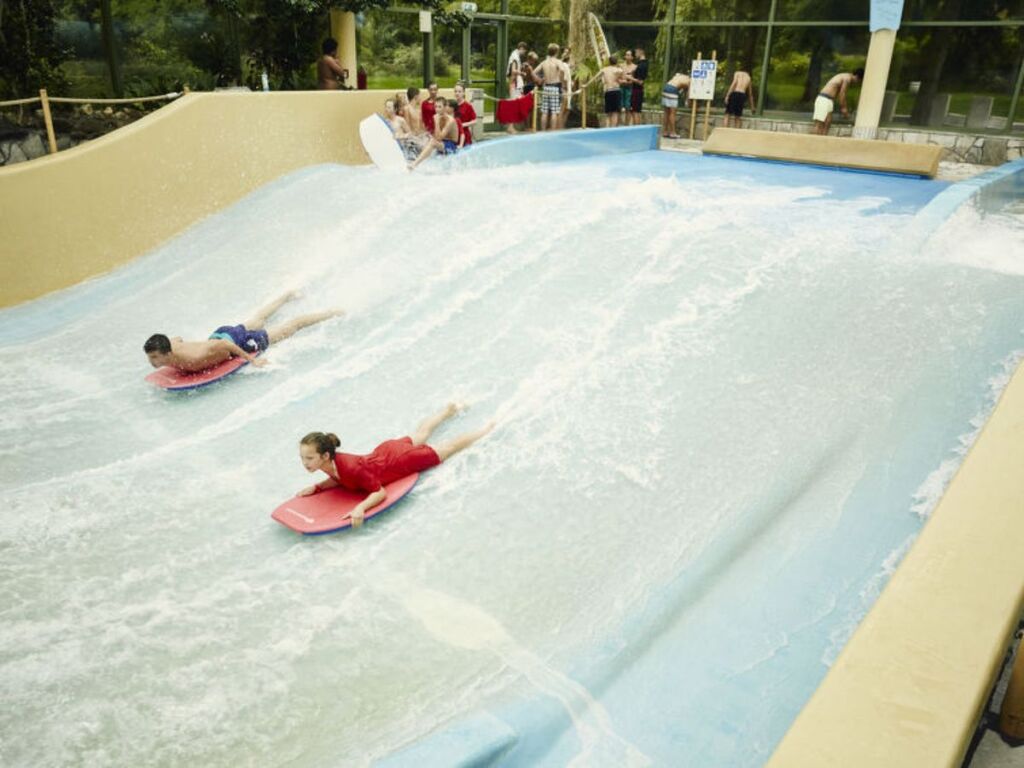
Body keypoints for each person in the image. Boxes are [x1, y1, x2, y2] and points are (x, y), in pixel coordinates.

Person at [297, 403, 494, 527]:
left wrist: (360, 508)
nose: (305, 463)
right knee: (421, 434)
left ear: (325, 455)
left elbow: (379, 492)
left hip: (400, 460)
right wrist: (317, 487)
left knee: (450, 447)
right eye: (303, 458)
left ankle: (486, 429)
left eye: (309, 458)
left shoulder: (350, 467)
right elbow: (339, 478)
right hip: (386, 450)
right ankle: (448, 411)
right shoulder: (330, 464)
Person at [143, 290, 342, 374]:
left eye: (154, 357)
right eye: (150, 356)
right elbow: (176, 338)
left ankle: (333, 312)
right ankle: (286, 296)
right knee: (257, 320)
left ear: (167, 353)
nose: (151, 361)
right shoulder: (171, 345)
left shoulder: (194, 357)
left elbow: (224, 346)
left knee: (290, 328)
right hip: (221, 333)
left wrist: (252, 360)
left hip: (235, 343)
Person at [409, 97, 461, 170]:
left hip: (451, 145)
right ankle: (420, 163)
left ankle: (414, 164)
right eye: (436, 106)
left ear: (445, 108)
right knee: (424, 139)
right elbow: (436, 135)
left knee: (433, 142)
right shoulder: (438, 117)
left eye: (439, 107)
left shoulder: (450, 120)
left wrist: (436, 122)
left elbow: (439, 138)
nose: (437, 109)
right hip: (443, 143)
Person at [813, 68, 863, 135]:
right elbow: (842, 93)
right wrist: (844, 108)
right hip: (824, 99)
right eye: (859, 81)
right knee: (819, 123)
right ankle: (813, 139)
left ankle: (823, 139)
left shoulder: (845, 76)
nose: (856, 83)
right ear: (857, 77)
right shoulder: (847, 78)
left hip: (828, 100)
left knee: (827, 122)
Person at [532, 43, 567, 132]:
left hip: (546, 87)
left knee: (544, 111)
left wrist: (540, 80)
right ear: (557, 52)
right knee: (554, 112)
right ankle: (553, 132)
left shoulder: (544, 62)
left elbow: (533, 72)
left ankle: (543, 131)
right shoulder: (558, 62)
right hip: (555, 87)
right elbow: (562, 70)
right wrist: (562, 82)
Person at [584, 55, 626, 128]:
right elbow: (624, 80)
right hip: (616, 91)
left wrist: (586, 85)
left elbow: (594, 78)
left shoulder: (604, 69)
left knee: (608, 112)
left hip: (608, 91)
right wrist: (619, 80)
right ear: (616, 62)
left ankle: (608, 127)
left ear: (609, 62)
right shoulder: (619, 70)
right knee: (615, 112)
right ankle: (613, 128)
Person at [661, 72, 690, 139]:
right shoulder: (690, 81)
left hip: (666, 87)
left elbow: (680, 88)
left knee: (666, 112)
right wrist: (687, 102)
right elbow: (688, 94)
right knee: (672, 113)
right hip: (672, 89)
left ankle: (665, 132)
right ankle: (673, 133)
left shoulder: (680, 75)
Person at [629, 48, 649, 126]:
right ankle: (636, 127)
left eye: (636, 53)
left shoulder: (642, 65)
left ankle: (637, 128)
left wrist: (630, 78)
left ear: (640, 53)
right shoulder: (641, 64)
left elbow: (640, 82)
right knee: (635, 110)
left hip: (637, 90)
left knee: (635, 111)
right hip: (636, 89)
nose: (635, 54)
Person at [559, 47, 574, 129]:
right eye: (565, 52)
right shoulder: (562, 64)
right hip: (564, 87)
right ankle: (559, 127)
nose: (566, 53)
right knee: (562, 109)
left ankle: (562, 126)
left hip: (569, 87)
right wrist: (563, 86)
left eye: (567, 52)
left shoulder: (569, 64)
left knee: (568, 109)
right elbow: (561, 76)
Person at [620, 50, 637, 124]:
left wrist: (630, 81)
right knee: (619, 106)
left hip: (629, 88)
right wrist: (621, 81)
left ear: (632, 57)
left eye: (628, 55)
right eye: (626, 55)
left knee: (628, 107)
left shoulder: (635, 67)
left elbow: (635, 78)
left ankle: (626, 124)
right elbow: (617, 76)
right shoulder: (621, 65)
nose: (626, 56)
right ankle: (619, 124)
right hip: (621, 87)